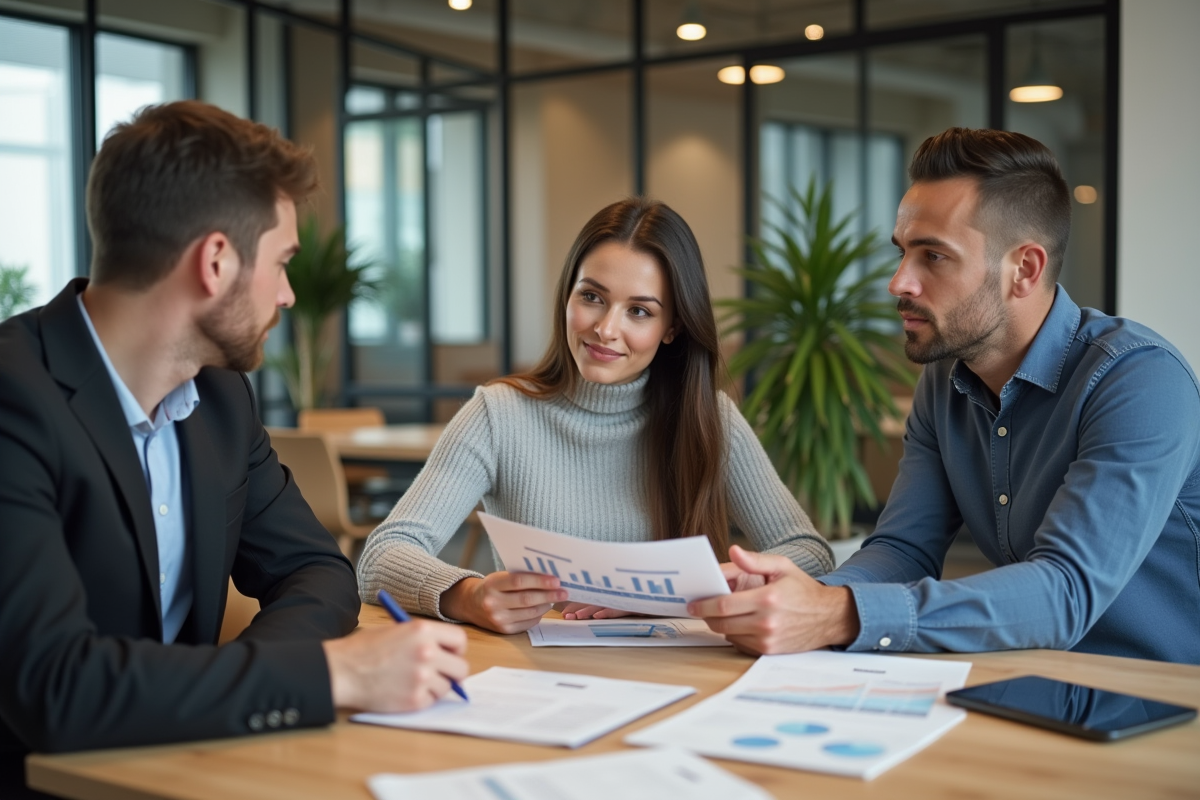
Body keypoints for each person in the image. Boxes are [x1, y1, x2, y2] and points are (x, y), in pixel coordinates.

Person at [0, 101, 468, 798]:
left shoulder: (216, 398)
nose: (286, 294)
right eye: (280, 263)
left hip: (190, 768)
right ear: (215, 261)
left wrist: (237, 686)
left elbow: (316, 568)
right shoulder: (13, 401)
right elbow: (56, 687)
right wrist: (338, 674)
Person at [691, 128, 1200, 664]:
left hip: (1163, 697)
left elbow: (1065, 591)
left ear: (1024, 269)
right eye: (903, 252)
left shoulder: (1139, 380)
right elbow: (904, 549)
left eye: (933, 256)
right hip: (1034, 676)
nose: (898, 283)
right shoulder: (945, 377)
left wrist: (838, 613)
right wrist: (811, 599)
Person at [358, 198, 833, 633]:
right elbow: (382, 555)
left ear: (673, 328)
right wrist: (468, 595)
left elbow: (810, 554)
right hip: (539, 675)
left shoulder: (713, 419)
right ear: (568, 296)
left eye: (640, 312)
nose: (606, 329)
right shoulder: (497, 415)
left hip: (679, 674)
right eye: (592, 297)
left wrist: (695, 590)